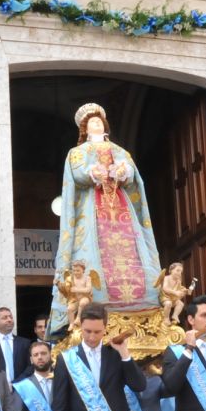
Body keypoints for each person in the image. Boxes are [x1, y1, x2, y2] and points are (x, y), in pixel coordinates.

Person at [47, 104, 162, 337]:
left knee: (132, 246)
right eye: (91, 122)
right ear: (84, 129)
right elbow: (78, 173)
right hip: (93, 208)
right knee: (91, 250)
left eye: (99, 121)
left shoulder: (119, 150)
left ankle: (143, 303)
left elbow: (131, 173)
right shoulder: (77, 152)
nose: (97, 124)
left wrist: (122, 172)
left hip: (120, 207)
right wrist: (94, 172)